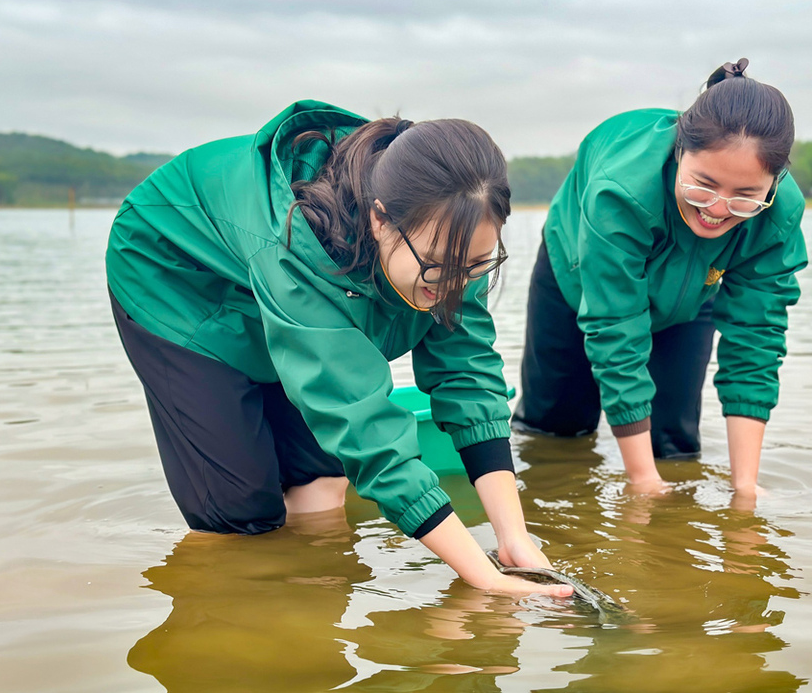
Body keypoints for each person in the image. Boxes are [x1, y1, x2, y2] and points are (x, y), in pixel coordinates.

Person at [106, 99, 572, 597]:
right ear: (379, 221)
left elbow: (467, 375)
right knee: (241, 515)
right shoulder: (302, 241)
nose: (457, 282)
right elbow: (363, 425)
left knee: (321, 478)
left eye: (476, 265)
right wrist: (480, 577)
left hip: (274, 281)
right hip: (176, 276)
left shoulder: (457, 241)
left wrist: (513, 539)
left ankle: (309, 616)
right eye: (438, 266)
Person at [513, 59, 808, 502]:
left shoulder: (777, 217)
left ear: (773, 183)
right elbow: (616, 330)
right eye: (703, 185)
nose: (717, 209)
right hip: (578, 280)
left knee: (674, 446)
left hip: (693, 294)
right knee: (556, 432)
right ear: (678, 152)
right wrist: (641, 481)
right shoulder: (621, 191)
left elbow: (756, 342)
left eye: (745, 196)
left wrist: (745, 488)